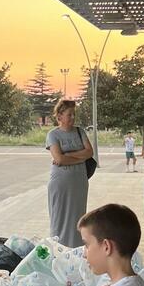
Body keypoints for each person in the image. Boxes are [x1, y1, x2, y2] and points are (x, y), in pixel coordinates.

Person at [46, 99, 93, 248]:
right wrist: (79, 156)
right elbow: (59, 158)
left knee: (78, 216)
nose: (72, 118)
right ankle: (58, 248)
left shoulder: (80, 132)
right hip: (60, 183)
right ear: (59, 116)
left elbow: (90, 152)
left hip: (79, 182)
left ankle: (76, 249)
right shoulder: (53, 135)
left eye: (74, 114)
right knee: (59, 216)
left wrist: (68, 156)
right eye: (69, 114)